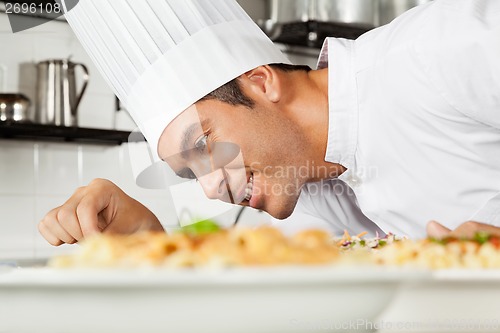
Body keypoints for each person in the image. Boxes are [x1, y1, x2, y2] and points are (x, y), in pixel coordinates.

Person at [39, 0, 500, 246]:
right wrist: (147, 243)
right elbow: (250, 294)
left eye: (204, 145)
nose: (210, 186)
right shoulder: (311, 190)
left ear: (260, 82)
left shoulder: (434, 51)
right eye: (191, 172)